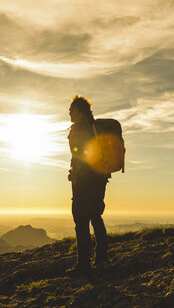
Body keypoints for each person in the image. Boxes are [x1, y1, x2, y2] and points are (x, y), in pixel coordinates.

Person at [67, 95, 110, 276]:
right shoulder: (95, 128)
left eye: (71, 109)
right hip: (99, 179)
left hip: (84, 181)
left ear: (79, 111)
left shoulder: (78, 129)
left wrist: (75, 174)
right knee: (95, 216)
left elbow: (78, 155)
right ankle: (101, 256)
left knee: (81, 222)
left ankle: (83, 264)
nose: (69, 112)